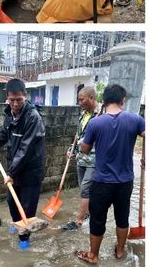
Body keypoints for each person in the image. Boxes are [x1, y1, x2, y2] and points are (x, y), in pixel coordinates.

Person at [76, 84, 145, 264]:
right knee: (122, 218)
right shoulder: (135, 119)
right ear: (123, 101)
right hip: (125, 181)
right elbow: (146, 136)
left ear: (104, 101)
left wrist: (85, 142)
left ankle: (93, 256)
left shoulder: (95, 123)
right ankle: (120, 251)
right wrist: (144, 158)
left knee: (97, 219)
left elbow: (85, 149)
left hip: (101, 181)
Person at [0, 79, 45, 250]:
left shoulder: (33, 117)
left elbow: (26, 149)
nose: (15, 104)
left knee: (26, 207)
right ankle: (16, 223)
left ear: (25, 96)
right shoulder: (10, 113)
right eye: (12, 100)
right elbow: (5, 131)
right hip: (16, 168)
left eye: (19, 100)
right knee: (11, 201)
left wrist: (11, 173)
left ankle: (24, 238)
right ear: (7, 98)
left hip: (30, 170)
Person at [62, 86, 100, 231]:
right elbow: (79, 135)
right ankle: (89, 213)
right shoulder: (83, 114)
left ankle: (78, 221)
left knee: (85, 189)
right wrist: (71, 149)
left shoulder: (102, 114)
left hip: (94, 160)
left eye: (81, 99)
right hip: (81, 158)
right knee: (84, 190)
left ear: (91, 98)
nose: (79, 102)